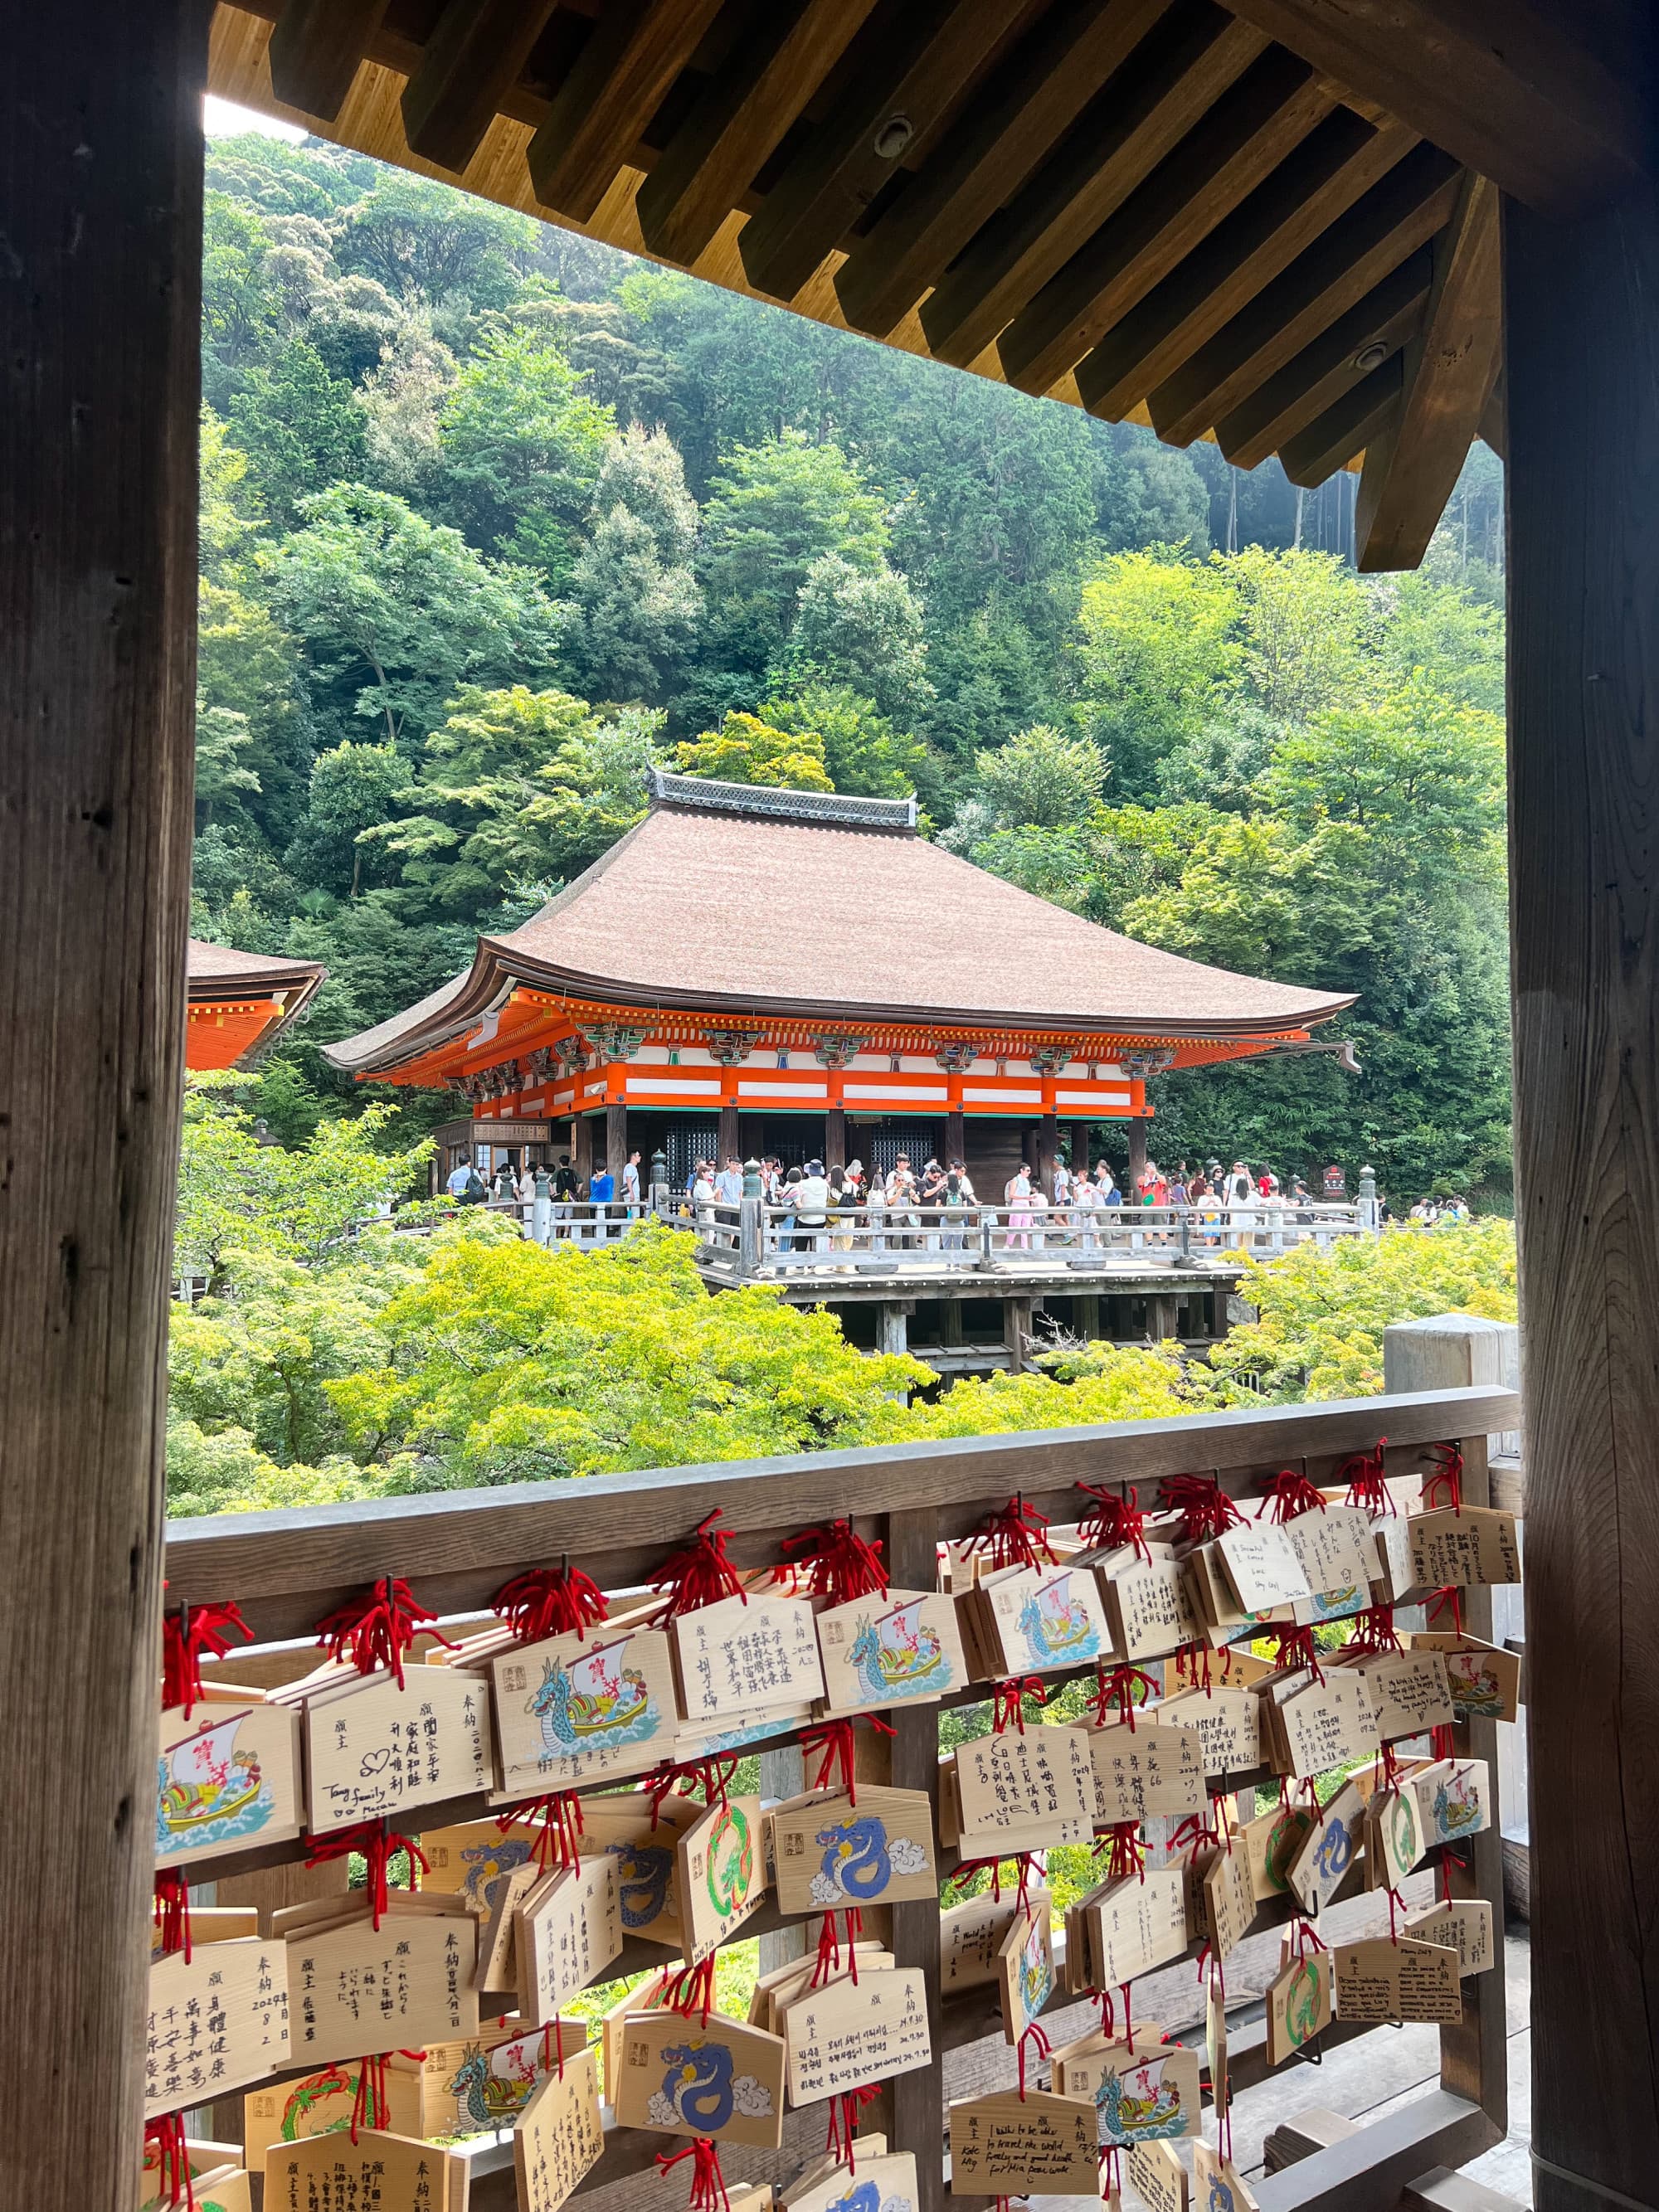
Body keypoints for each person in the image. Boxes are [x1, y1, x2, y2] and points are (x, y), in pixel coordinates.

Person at [795, 1157, 830, 1254]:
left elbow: (799, 1200)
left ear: (809, 1172)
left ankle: (800, 1265)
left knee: (801, 1242)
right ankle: (813, 1265)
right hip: (820, 1218)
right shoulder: (826, 1184)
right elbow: (827, 1200)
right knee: (816, 1243)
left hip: (805, 1217)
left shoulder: (802, 1184)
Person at [1005, 1162, 1034, 1252]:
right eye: (1027, 1170)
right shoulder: (1015, 1180)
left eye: (1030, 1171)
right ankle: (1008, 1243)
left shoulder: (1026, 1181)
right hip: (1017, 1203)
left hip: (1026, 1204)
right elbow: (1011, 1195)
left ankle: (1024, 1246)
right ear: (1022, 1170)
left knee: (1026, 1225)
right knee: (1015, 1225)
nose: (1029, 1172)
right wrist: (1024, 1198)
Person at [552, 1152, 579, 1239]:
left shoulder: (558, 1172)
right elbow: (581, 1182)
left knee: (558, 1217)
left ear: (560, 1163)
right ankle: (565, 1235)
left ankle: (556, 1234)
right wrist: (577, 1192)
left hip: (560, 1196)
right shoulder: (573, 1172)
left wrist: (554, 1192)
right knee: (568, 1217)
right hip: (570, 1197)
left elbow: (551, 1182)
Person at [622, 1149, 641, 1216]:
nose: (640, 1157)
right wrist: (632, 1193)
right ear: (633, 1157)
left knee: (632, 1214)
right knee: (634, 1214)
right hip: (631, 1194)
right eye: (638, 1156)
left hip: (632, 1194)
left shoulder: (632, 1167)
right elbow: (629, 1179)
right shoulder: (630, 1167)